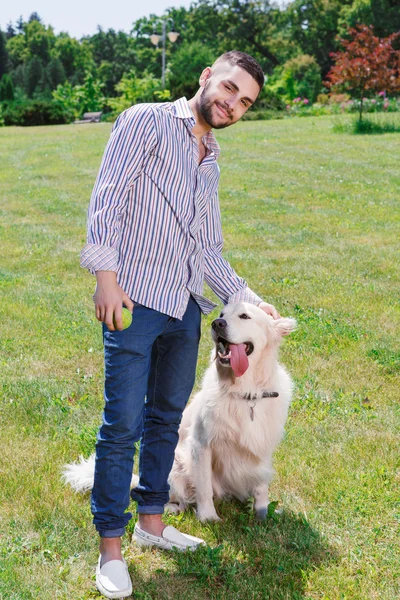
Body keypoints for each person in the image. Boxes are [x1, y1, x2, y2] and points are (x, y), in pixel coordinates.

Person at [81, 50, 280, 599]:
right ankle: (111, 548)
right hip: (133, 297)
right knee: (122, 423)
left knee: (167, 418)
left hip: (185, 308)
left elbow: (207, 249)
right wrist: (105, 274)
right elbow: (107, 197)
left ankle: (151, 524)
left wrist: (249, 300)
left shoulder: (211, 157)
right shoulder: (145, 120)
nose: (232, 104)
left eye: (245, 102)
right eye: (230, 89)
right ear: (206, 76)